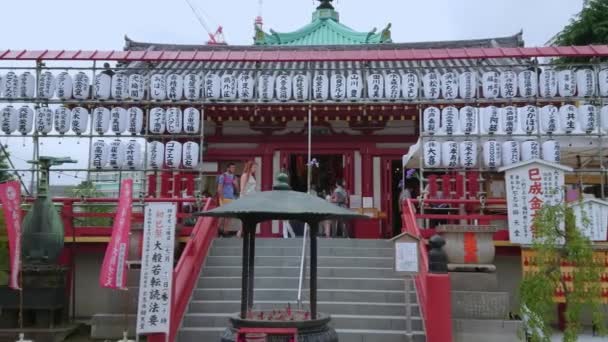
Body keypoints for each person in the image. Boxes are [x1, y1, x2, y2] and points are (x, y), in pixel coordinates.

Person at [236, 161, 258, 237]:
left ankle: (246, 232)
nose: (255, 169)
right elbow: (242, 189)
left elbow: (253, 189)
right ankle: (241, 232)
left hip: (252, 199)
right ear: (250, 167)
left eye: (256, 167)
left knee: (250, 217)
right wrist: (244, 199)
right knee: (245, 217)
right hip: (246, 199)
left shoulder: (252, 176)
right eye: (254, 167)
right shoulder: (245, 175)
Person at [217, 163, 239, 237]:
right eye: (232, 168)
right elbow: (219, 187)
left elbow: (237, 189)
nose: (233, 169)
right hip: (224, 197)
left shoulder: (234, 177)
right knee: (222, 214)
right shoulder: (223, 176)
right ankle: (217, 230)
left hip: (231, 197)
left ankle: (225, 231)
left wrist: (236, 184)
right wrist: (221, 197)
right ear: (228, 168)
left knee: (229, 216)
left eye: (234, 168)